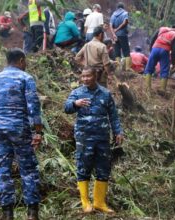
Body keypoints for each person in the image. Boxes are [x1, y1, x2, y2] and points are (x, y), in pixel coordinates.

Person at [0, 48, 43, 220]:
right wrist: (38, 132)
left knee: (2, 169)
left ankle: (7, 213)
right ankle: (32, 213)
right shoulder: (26, 78)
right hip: (19, 128)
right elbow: (33, 106)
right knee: (28, 169)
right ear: (21, 60)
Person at [64, 67, 124, 214]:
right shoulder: (77, 93)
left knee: (103, 169)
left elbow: (113, 115)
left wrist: (118, 131)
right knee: (83, 167)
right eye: (83, 76)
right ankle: (86, 203)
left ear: (95, 76)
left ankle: (99, 202)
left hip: (102, 138)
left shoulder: (105, 93)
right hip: (84, 138)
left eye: (88, 76)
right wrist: (75, 104)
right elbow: (66, 108)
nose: (85, 79)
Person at [144, 25, 175, 94]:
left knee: (149, 69)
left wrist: (151, 50)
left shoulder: (162, 29)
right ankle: (162, 90)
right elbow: (173, 52)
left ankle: (147, 89)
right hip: (164, 51)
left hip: (155, 48)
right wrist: (173, 64)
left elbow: (153, 38)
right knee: (165, 70)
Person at [110, 2, 131, 71]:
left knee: (117, 52)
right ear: (123, 7)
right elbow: (125, 22)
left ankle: (118, 69)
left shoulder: (113, 15)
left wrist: (113, 33)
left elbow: (111, 26)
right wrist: (118, 29)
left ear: (117, 8)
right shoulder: (125, 13)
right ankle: (127, 68)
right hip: (123, 35)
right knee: (126, 52)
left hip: (115, 36)